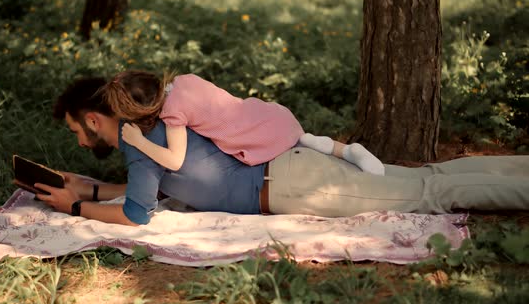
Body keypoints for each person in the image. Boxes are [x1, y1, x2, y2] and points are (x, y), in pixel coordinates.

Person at [34, 77, 529, 226]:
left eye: (78, 131)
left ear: (95, 119)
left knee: (427, 192)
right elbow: (160, 187)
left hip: (290, 184)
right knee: (430, 177)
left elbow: (140, 212)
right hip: (287, 166)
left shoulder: (139, 142)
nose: (80, 141)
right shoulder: (155, 124)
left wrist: (77, 206)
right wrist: (92, 186)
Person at [98, 70, 385, 175]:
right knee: (301, 137)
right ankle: (347, 150)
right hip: (267, 115)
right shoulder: (183, 81)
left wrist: (137, 141)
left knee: (296, 156)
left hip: (254, 134)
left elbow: (175, 161)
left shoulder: (173, 113)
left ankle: (346, 161)